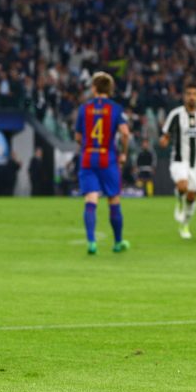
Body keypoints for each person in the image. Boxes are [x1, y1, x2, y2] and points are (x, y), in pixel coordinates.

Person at [74, 72, 131, 255]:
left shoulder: (84, 108)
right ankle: (118, 242)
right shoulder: (115, 108)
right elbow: (125, 132)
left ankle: (91, 242)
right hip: (108, 158)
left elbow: (77, 136)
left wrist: (86, 146)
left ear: (94, 88)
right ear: (110, 89)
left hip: (88, 158)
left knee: (91, 199)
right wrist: (123, 153)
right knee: (113, 199)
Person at [159, 82, 196, 240]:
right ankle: (179, 201)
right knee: (182, 185)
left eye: (194, 94)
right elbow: (166, 134)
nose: (192, 97)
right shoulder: (176, 114)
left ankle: (185, 225)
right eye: (189, 94)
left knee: (192, 196)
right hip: (179, 159)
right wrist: (164, 140)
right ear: (184, 96)